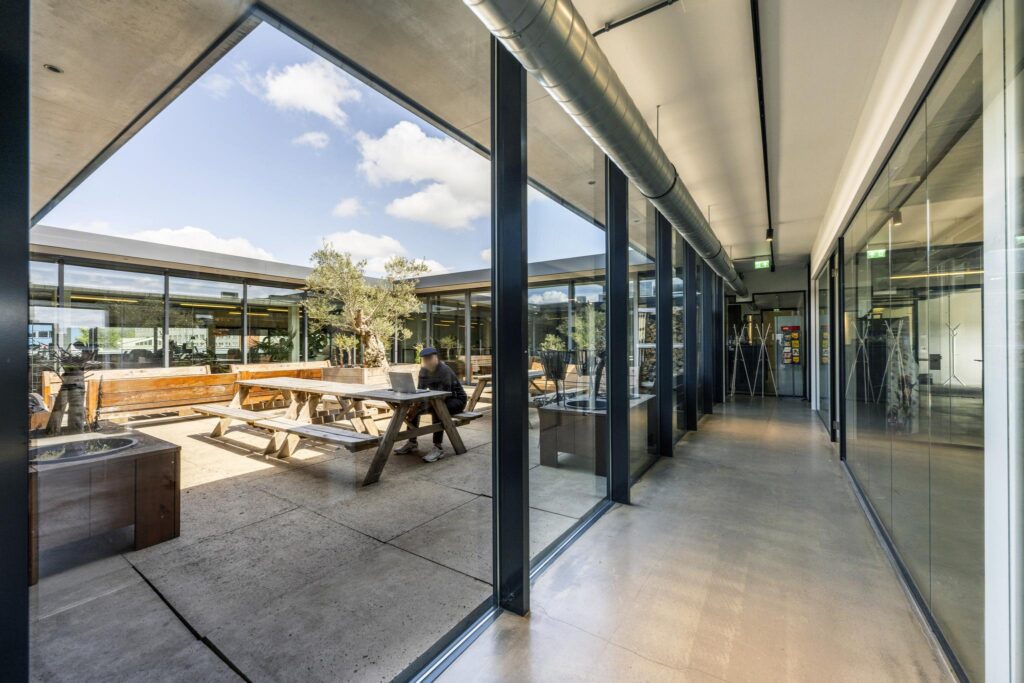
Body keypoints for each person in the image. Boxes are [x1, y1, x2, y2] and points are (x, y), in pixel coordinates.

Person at [394, 346, 467, 462]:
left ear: (435, 358)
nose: (427, 361)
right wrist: (414, 408)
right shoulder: (423, 371)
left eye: (429, 358)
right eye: (425, 359)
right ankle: (412, 442)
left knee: (438, 410)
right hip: (437, 399)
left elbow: (444, 396)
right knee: (414, 410)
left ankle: (438, 448)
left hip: (456, 400)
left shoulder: (444, 370)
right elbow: (420, 391)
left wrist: (423, 406)